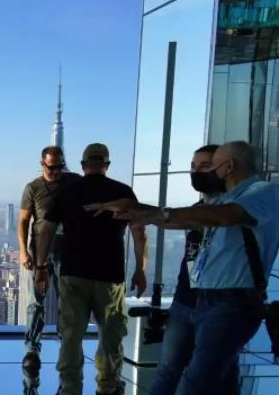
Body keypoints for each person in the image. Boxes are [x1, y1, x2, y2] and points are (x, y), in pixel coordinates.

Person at [88, 141, 279, 395]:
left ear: (229, 167)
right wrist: (139, 211)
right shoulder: (223, 199)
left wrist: (153, 213)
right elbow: (182, 219)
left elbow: (224, 216)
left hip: (232, 304)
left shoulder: (263, 192)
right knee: (213, 378)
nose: (201, 173)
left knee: (195, 382)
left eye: (210, 167)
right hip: (203, 300)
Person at [35, 143, 147, 395]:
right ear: (106, 165)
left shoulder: (67, 191)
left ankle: (69, 386)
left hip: (73, 272)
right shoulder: (123, 191)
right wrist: (140, 269)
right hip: (110, 275)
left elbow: (46, 230)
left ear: (83, 165)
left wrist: (41, 265)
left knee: (71, 335)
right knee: (110, 335)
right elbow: (139, 233)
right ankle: (107, 385)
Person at [148, 144, 240, 395]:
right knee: (169, 368)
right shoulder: (196, 208)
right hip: (186, 300)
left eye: (205, 166)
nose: (196, 172)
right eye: (193, 166)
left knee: (219, 371)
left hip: (218, 305)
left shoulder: (232, 212)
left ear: (225, 169)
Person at [18, 146, 81, 376]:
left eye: (59, 166)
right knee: (36, 302)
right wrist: (24, 252)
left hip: (69, 252)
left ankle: (67, 348)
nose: (56, 171)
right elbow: (24, 221)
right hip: (39, 254)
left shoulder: (75, 182)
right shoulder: (33, 188)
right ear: (42, 164)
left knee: (68, 302)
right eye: (51, 167)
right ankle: (32, 349)